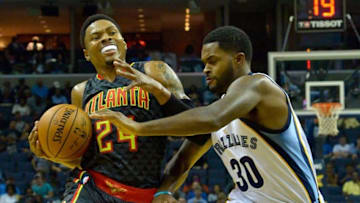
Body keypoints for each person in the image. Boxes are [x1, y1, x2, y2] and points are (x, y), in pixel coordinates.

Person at [92, 26, 324, 202]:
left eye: (213, 61)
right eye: (204, 62)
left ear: (238, 59)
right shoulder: (221, 110)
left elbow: (213, 117)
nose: (205, 69)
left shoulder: (259, 86)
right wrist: (164, 190)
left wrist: (139, 128)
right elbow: (181, 162)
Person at [28, 14, 203, 203]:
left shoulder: (155, 71)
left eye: (112, 33)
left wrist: (158, 90)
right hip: (93, 188)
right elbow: (82, 156)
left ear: (124, 43)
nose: (106, 38)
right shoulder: (81, 91)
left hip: (143, 193)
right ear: (86, 54)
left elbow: (198, 130)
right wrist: (52, 154)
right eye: (96, 37)